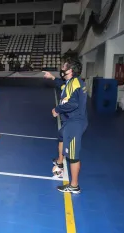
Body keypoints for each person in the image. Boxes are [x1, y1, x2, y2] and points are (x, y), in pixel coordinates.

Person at [43, 58, 87, 194]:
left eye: (64, 67)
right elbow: (61, 86)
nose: (62, 68)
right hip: (70, 121)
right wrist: (52, 78)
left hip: (75, 123)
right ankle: (60, 162)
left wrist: (57, 109)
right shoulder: (70, 82)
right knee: (61, 136)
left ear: (71, 70)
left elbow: (73, 104)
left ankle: (74, 185)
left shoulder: (75, 83)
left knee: (73, 155)